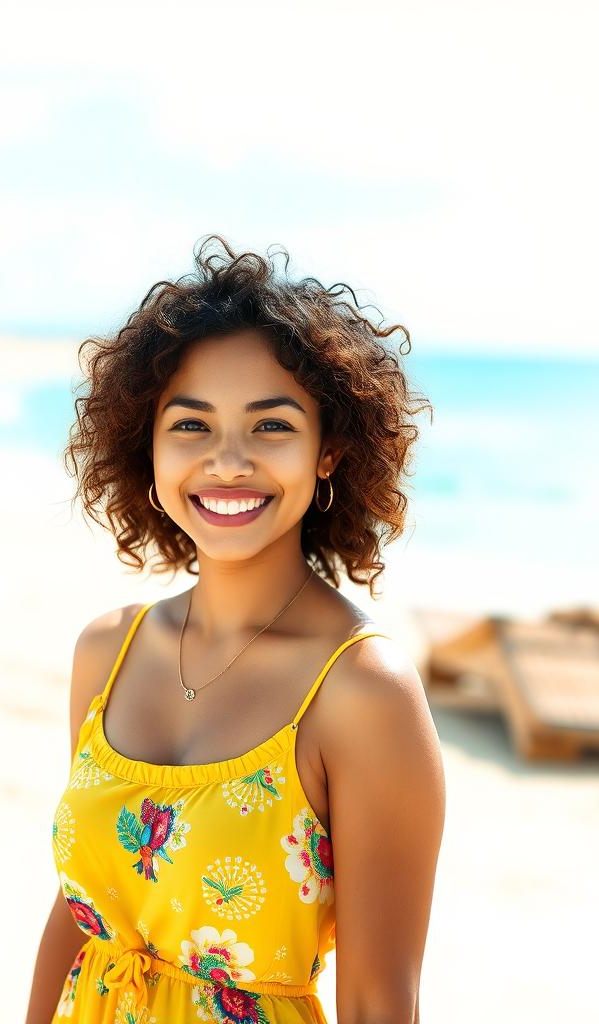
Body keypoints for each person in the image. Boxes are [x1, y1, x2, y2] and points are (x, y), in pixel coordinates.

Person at [25, 235, 445, 1024]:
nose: (227, 462)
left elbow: (378, 1001)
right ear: (145, 447)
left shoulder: (361, 692)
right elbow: (80, 911)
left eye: (271, 427)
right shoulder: (106, 652)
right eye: (190, 426)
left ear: (329, 453)